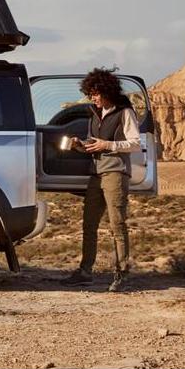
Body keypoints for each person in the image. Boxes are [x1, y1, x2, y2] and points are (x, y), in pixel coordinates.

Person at [60, 67, 141, 292]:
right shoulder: (94, 115)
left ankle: (122, 273)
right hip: (96, 173)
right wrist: (80, 145)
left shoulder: (125, 112)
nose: (92, 98)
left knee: (117, 224)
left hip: (115, 173)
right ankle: (85, 271)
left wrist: (109, 145)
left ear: (107, 91)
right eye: (90, 94)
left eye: (95, 93)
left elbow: (135, 143)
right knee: (89, 225)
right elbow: (93, 144)